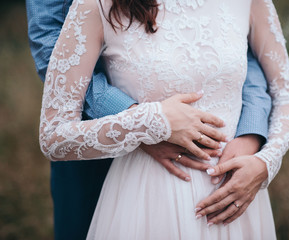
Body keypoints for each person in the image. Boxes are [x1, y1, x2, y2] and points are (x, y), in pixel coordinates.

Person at [26, 0, 273, 239]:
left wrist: (250, 132)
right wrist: (145, 122)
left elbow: (242, 49)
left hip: (226, 169)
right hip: (97, 139)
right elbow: (51, 42)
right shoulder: (94, 7)